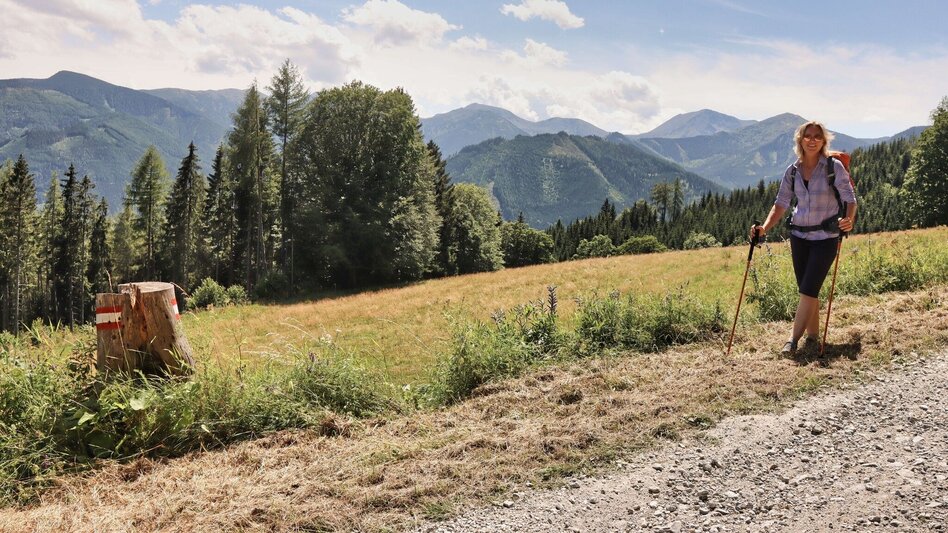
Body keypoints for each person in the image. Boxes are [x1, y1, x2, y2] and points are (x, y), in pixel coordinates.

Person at [750, 121, 857, 354]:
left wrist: (848, 220)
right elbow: (781, 204)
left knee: (808, 289)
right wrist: (765, 229)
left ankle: (793, 340)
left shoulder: (833, 166)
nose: (812, 140)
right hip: (799, 236)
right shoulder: (793, 171)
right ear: (800, 140)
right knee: (808, 289)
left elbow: (850, 199)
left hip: (826, 237)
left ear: (823, 141)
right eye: (807, 136)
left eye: (817, 136)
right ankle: (813, 337)